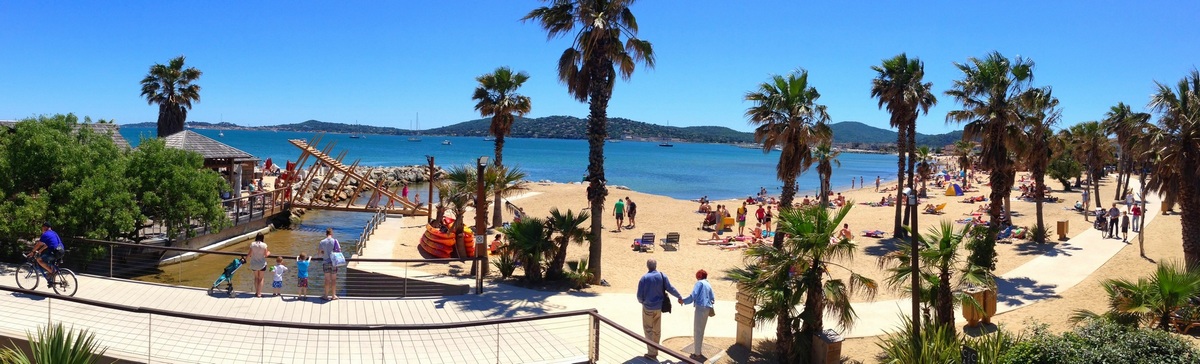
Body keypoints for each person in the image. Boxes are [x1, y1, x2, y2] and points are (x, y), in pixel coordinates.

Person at [635, 259, 682, 360]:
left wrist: (642, 302)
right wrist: (679, 296)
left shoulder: (644, 278)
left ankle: (652, 352)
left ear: (647, 266)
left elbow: (639, 295)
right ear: (656, 266)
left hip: (648, 307)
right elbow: (670, 288)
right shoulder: (662, 276)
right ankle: (655, 349)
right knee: (657, 329)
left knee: (648, 329)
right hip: (658, 307)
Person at [679, 269, 716, 361]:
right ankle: (698, 351)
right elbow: (713, 298)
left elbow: (693, 296)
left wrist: (683, 301)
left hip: (700, 307)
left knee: (697, 331)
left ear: (699, 276)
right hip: (707, 308)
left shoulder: (699, 283)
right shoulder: (708, 284)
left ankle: (697, 354)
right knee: (701, 330)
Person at [317, 227, 342, 301]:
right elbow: (339, 251)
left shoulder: (322, 242)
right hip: (334, 263)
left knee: (327, 279)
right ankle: (333, 295)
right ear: (331, 233)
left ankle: (325, 295)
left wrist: (323, 253)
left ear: (326, 234)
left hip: (325, 262)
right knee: (333, 279)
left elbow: (319, 254)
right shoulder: (335, 241)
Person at [248, 233, 271, 298]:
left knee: (256, 278)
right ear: (262, 238)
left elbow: (249, 254)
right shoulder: (264, 245)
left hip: (254, 263)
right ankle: (259, 293)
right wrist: (269, 253)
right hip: (262, 264)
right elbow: (266, 255)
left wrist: (245, 259)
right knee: (261, 278)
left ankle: (256, 292)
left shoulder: (252, 244)